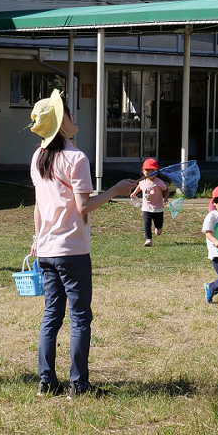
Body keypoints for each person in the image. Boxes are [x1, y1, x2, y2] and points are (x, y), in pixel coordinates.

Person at [29, 88, 137, 398]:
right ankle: (79, 385)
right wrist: (115, 190)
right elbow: (84, 207)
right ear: (62, 124)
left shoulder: (38, 156)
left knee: (52, 315)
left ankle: (46, 382)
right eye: (70, 114)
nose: (75, 117)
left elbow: (38, 206)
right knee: (80, 318)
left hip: (47, 250)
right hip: (72, 251)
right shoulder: (76, 158)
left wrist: (37, 239)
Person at [130, 158, 169, 247]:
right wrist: (134, 193)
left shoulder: (159, 182)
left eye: (152, 170)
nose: (149, 172)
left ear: (156, 171)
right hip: (146, 207)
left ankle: (158, 228)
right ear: (143, 171)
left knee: (158, 225)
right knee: (146, 224)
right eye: (147, 170)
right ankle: (148, 240)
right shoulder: (142, 181)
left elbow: (166, 190)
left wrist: (166, 199)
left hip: (158, 208)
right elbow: (139, 186)